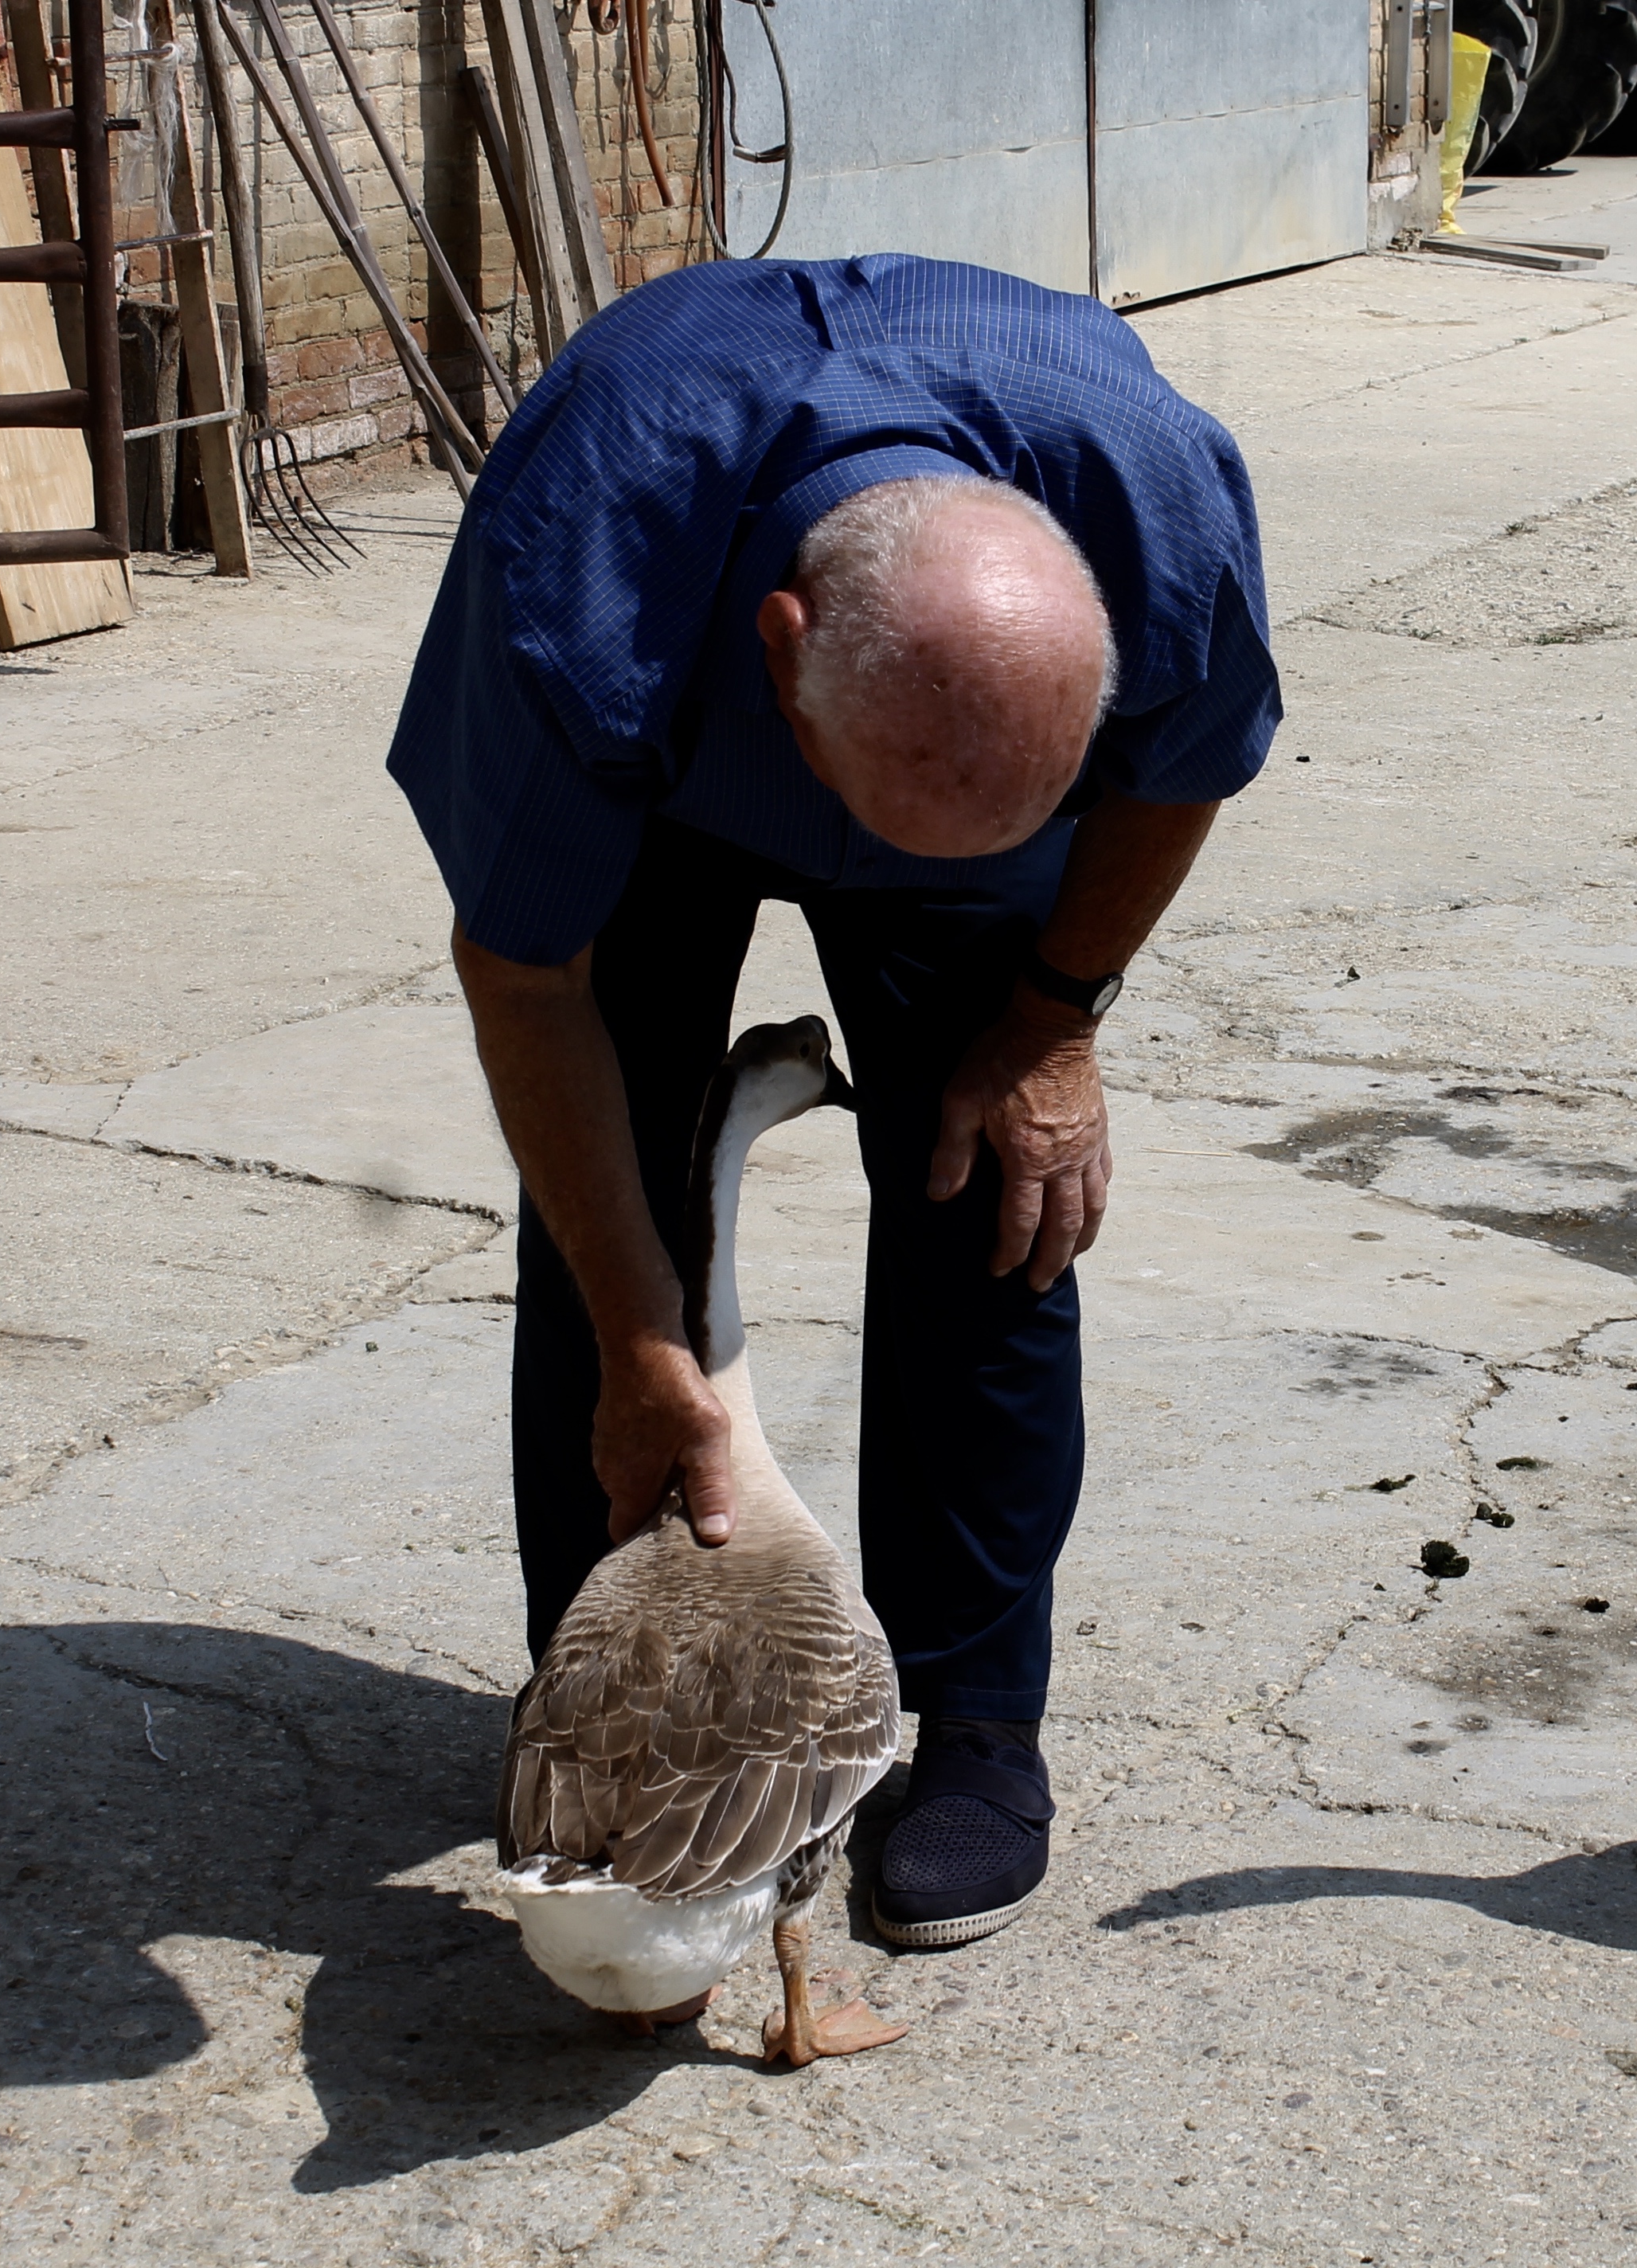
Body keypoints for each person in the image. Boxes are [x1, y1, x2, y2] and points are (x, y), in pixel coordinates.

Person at [388, 252, 1280, 1950]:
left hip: (932, 743)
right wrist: (650, 1337)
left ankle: (978, 1722)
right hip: (663, 761)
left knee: (993, 1182)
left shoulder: (1154, 506)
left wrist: (1054, 1012)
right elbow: (524, 981)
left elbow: (1192, 766)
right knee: (615, 1218)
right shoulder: (576, 578)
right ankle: (611, 1704)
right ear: (784, 653)